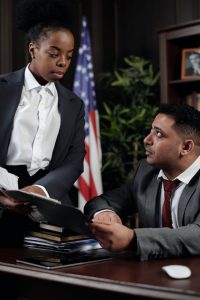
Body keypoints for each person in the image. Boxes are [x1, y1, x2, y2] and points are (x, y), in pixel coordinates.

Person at [0, 0, 85, 245]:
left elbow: (75, 159)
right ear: (33, 49)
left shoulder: (73, 104)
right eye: (54, 53)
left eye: (69, 56)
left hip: (50, 201)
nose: (63, 62)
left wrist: (41, 191)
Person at [84, 104, 200, 261]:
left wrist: (133, 239)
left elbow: (197, 235)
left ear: (186, 147)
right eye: (151, 130)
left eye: (158, 134)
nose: (147, 139)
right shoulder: (146, 172)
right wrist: (105, 212)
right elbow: (102, 201)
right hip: (154, 274)